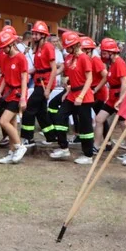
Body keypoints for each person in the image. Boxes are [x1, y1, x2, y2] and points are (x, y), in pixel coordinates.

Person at [50, 31, 95, 165]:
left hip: (84, 96)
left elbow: (89, 79)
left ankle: (88, 155)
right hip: (71, 94)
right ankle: (63, 147)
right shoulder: (69, 57)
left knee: (85, 126)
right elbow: (65, 72)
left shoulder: (84, 58)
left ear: (74, 46)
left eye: (68, 47)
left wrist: (81, 96)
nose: (66, 49)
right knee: (59, 117)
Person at [0, 28, 29, 164]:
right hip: (8, 93)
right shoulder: (6, 58)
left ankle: (20, 147)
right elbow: (5, 77)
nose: (2, 51)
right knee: (12, 123)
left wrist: (23, 98)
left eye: (4, 47)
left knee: (3, 121)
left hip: (18, 94)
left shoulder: (21, 58)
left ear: (11, 45)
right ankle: (11, 152)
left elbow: (24, 78)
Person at [20, 21, 58, 147]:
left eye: (37, 34)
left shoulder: (48, 47)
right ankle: (51, 137)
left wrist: (47, 89)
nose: (34, 37)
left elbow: (53, 69)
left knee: (29, 108)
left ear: (43, 35)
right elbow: (38, 67)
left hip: (45, 82)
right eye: (34, 34)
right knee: (41, 112)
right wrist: (25, 73)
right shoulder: (37, 48)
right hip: (38, 81)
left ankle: (27, 138)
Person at [94, 37, 126, 152]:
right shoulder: (112, 63)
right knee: (99, 119)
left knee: (124, 125)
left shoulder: (119, 63)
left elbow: (124, 82)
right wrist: (95, 89)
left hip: (119, 98)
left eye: (104, 53)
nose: (102, 56)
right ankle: (96, 146)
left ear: (111, 52)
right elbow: (106, 78)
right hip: (111, 99)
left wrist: (121, 99)